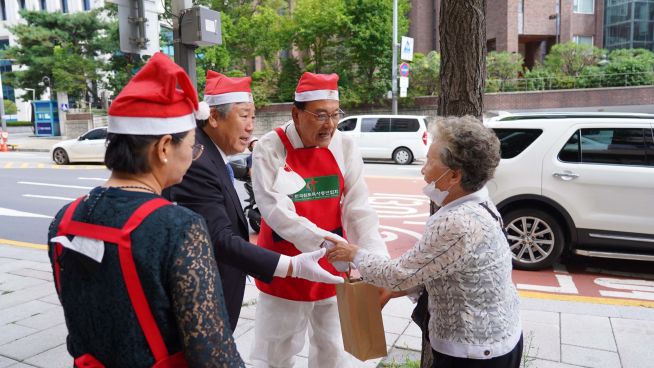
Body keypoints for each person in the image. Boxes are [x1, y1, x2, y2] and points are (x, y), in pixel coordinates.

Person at [47, 53, 244, 367]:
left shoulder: (64, 219)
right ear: (164, 147)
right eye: (192, 145)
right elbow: (213, 354)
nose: (194, 155)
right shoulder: (178, 227)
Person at [326, 116, 523, 368]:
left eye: (430, 161)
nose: (422, 169)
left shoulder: (457, 222)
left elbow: (398, 273)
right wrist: (398, 290)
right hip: (497, 339)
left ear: (454, 176)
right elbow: (442, 268)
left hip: (473, 353)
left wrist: (354, 253)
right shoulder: (480, 204)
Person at [164, 70, 342, 331]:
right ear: (213, 117)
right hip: (201, 303)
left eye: (253, 116)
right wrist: (291, 265)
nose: (250, 126)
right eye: (244, 115)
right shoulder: (199, 163)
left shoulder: (212, 156)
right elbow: (220, 239)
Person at [250, 72, 389, 367]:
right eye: (321, 115)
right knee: (277, 351)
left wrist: (376, 261)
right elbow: (275, 210)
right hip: (285, 264)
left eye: (335, 115)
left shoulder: (345, 146)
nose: (330, 125)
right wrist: (326, 243)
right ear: (296, 114)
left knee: (333, 349)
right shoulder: (269, 147)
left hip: (331, 266)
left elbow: (358, 207)